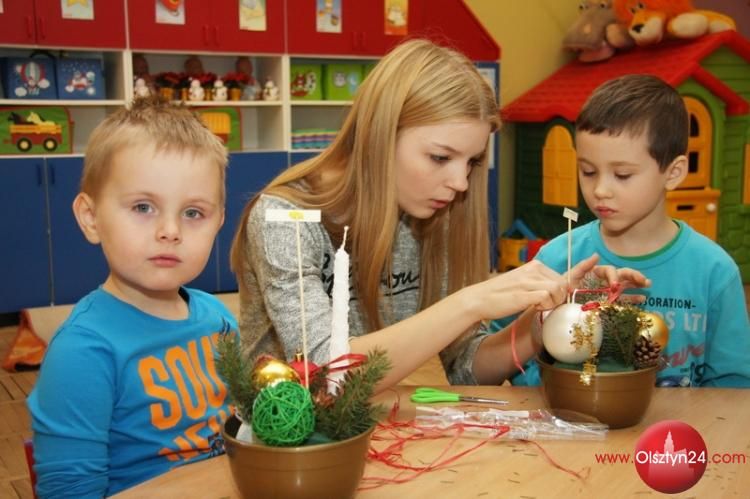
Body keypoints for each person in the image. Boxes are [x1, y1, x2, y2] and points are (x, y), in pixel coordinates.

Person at [230, 39, 648, 391]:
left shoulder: (431, 214)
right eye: (440, 157)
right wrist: (469, 303)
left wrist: (541, 323)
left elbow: (466, 367)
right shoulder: (285, 218)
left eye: (471, 161)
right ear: (380, 133)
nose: (461, 183)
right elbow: (327, 377)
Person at [27, 96, 238, 497]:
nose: (170, 230)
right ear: (91, 217)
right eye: (143, 207)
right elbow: (70, 491)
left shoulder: (216, 316)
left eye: (194, 213)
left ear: (219, 222)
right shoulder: (83, 351)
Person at [511, 74, 750, 387]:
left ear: (674, 173)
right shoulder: (557, 258)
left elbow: (734, 386)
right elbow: (510, 360)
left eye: (622, 175)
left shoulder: (714, 271)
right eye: (588, 171)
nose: (600, 190)